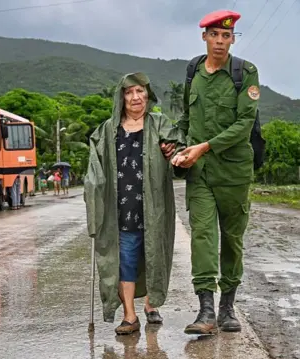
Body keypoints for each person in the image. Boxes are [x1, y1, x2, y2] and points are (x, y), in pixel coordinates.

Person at [165, 9, 260, 335]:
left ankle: (227, 307)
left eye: (226, 36)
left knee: (232, 240)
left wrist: (204, 146)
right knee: (203, 237)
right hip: (201, 173)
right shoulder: (193, 71)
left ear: (233, 38)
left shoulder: (245, 72)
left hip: (233, 172)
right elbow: (187, 122)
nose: (220, 42)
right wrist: (177, 147)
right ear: (204, 36)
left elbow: (244, 124)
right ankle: (205, 309)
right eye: (214, 35)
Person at [84, 72, 185, 335]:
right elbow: (93, 166)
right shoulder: (108, 130)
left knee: (153, 257)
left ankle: (151, 303)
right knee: (125, 261)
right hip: (121, 211)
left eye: (139, 91)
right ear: (121, 98)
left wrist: (173, 150)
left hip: (154, 208)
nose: (135, 97)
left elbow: (181, 148)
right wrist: (93, 194)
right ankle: (129, 316)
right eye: (129, 92)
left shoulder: (160, 123)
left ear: (148, 95)